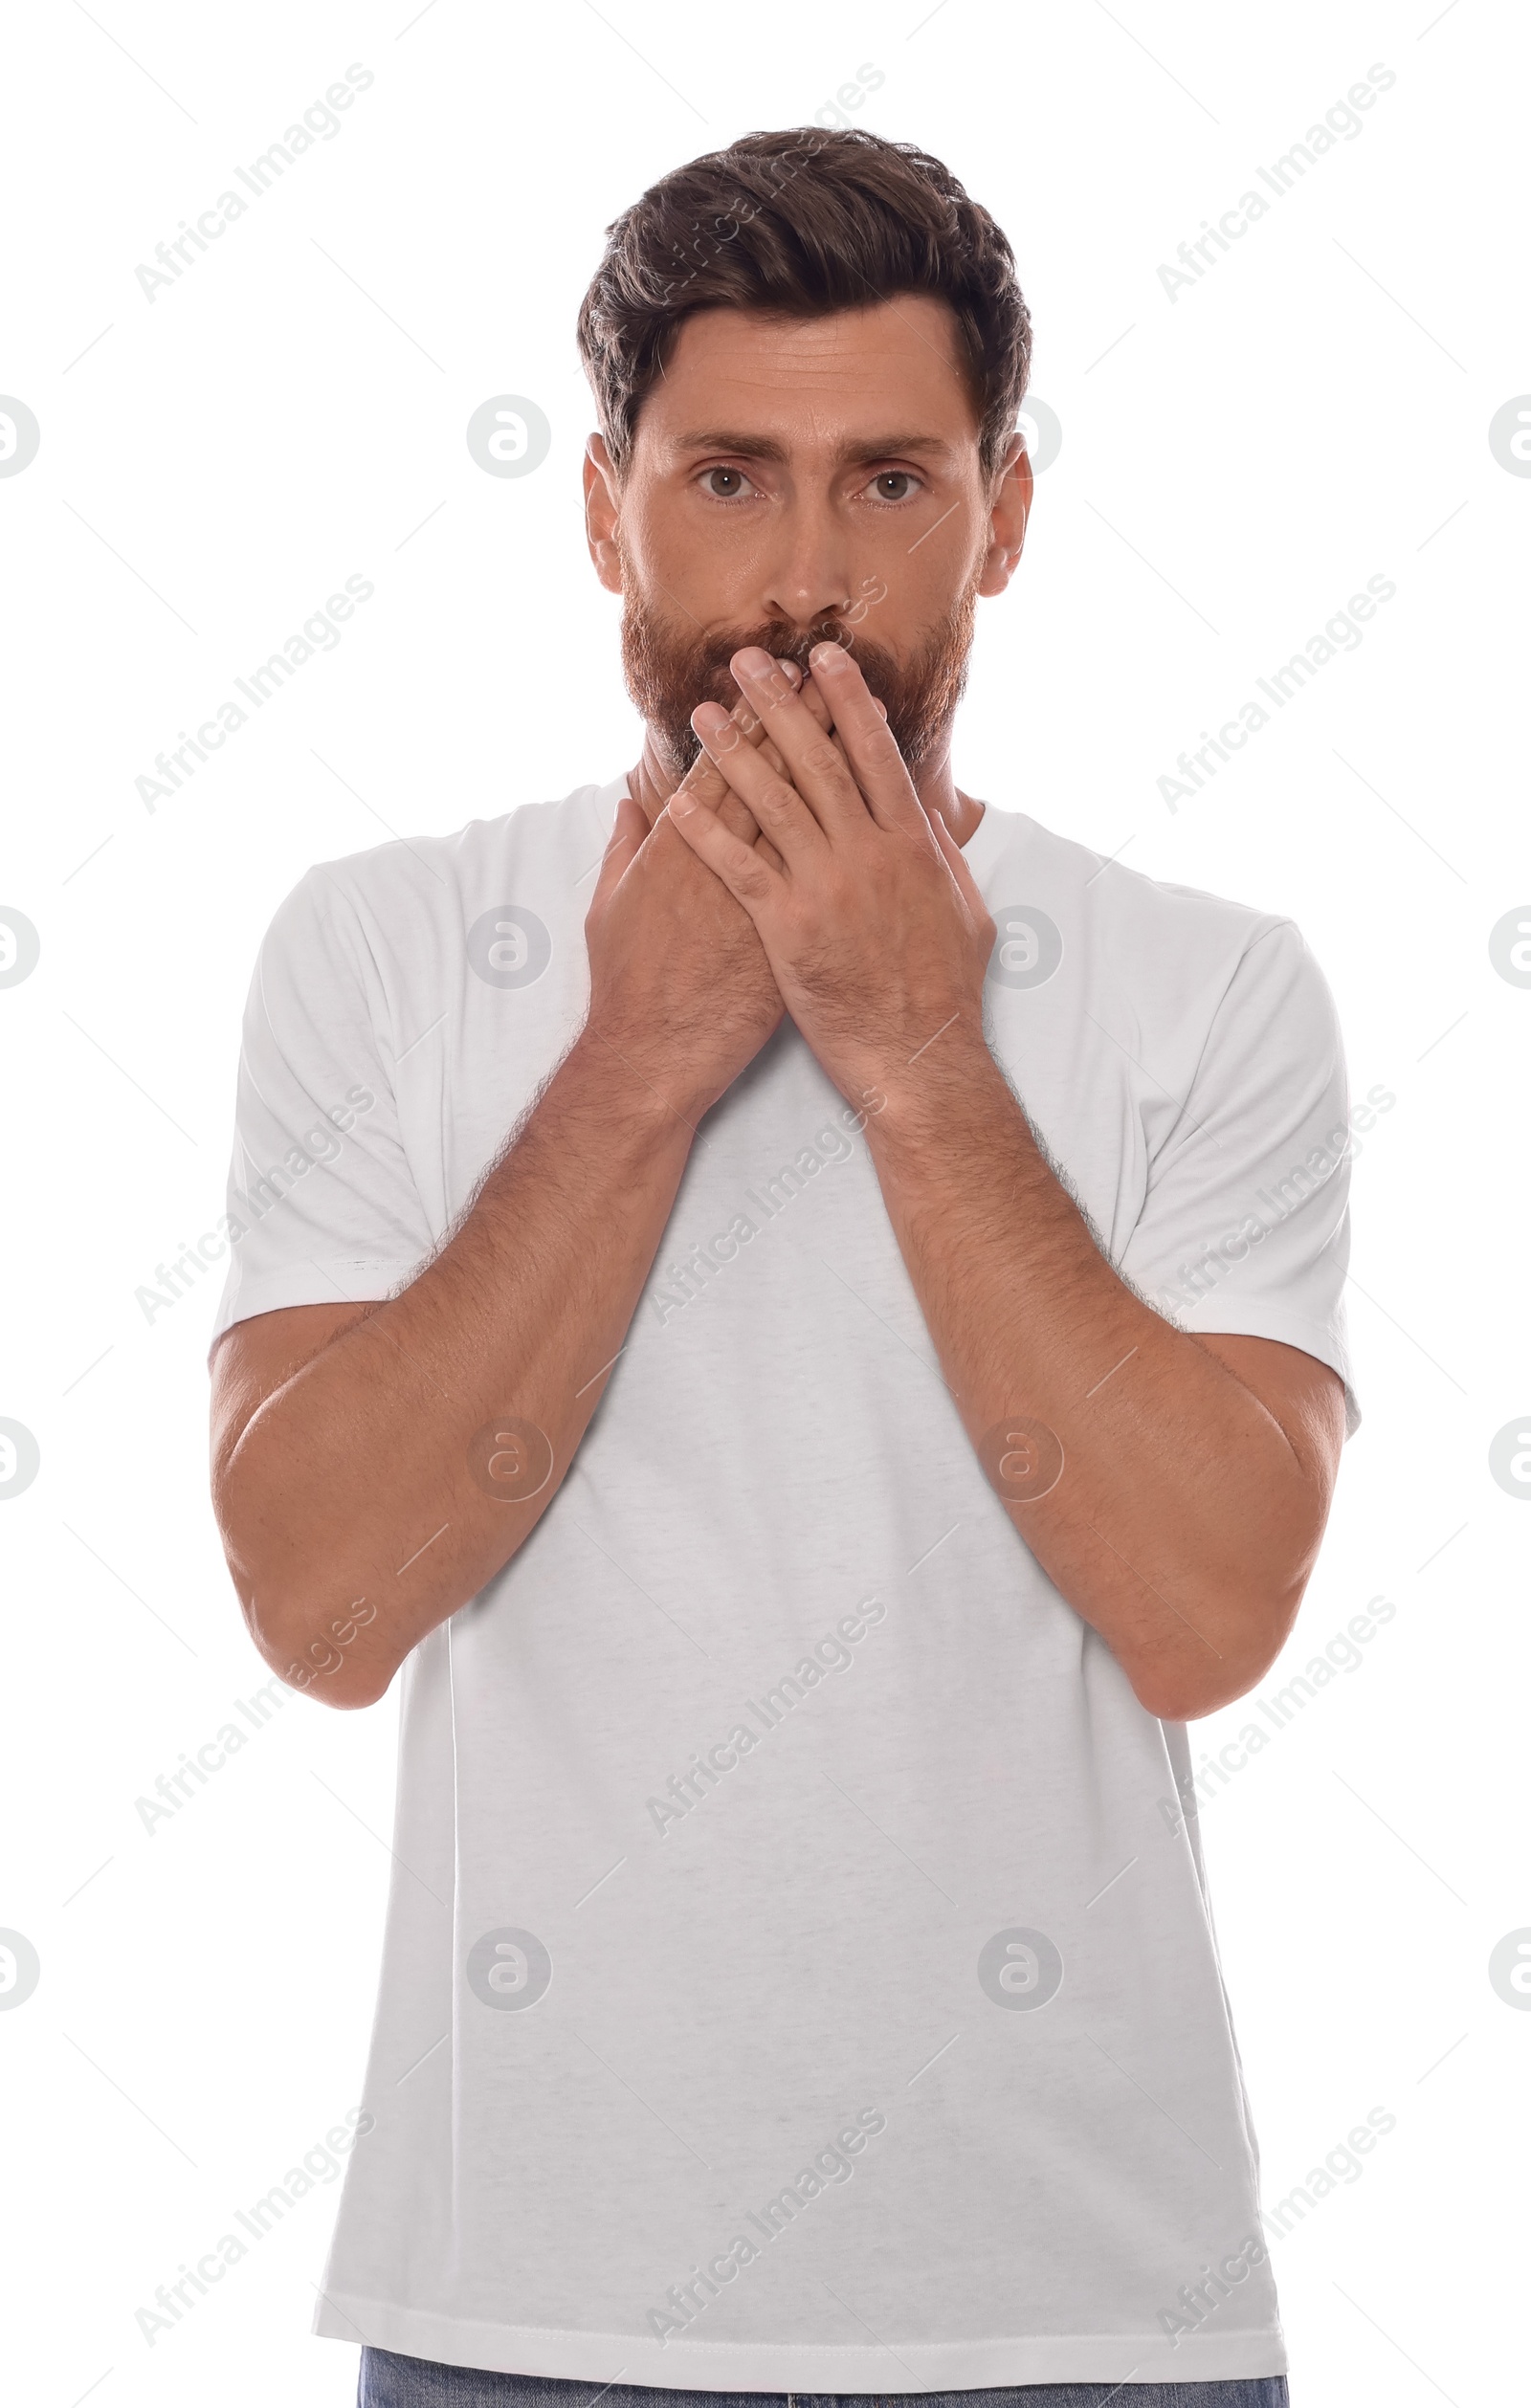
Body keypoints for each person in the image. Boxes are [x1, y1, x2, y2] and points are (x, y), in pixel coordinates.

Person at [210, 125, 1356, 2408]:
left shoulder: (1212, 986)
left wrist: (919, 1055)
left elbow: (1208, 1612)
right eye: (727, 478)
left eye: (889, 484)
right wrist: (638, 1061)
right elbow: (320, 1608)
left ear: (999, 515)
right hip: (520, 2309)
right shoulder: (385, 947)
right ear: (602, 503)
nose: (802, 580)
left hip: (1080, 2311)